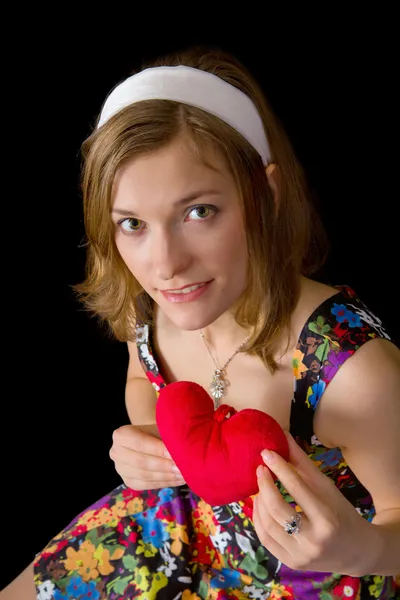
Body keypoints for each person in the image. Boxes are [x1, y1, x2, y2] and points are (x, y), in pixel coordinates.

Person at [2, 45, 399, 600]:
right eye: (133, 223)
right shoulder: (152, 304)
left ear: (265, 194)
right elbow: (144, 381)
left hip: (314, 577)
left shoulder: (351, 371)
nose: (165, 265)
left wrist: (362, 549)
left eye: (199, 212)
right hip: (177, 525)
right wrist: (150, 441)